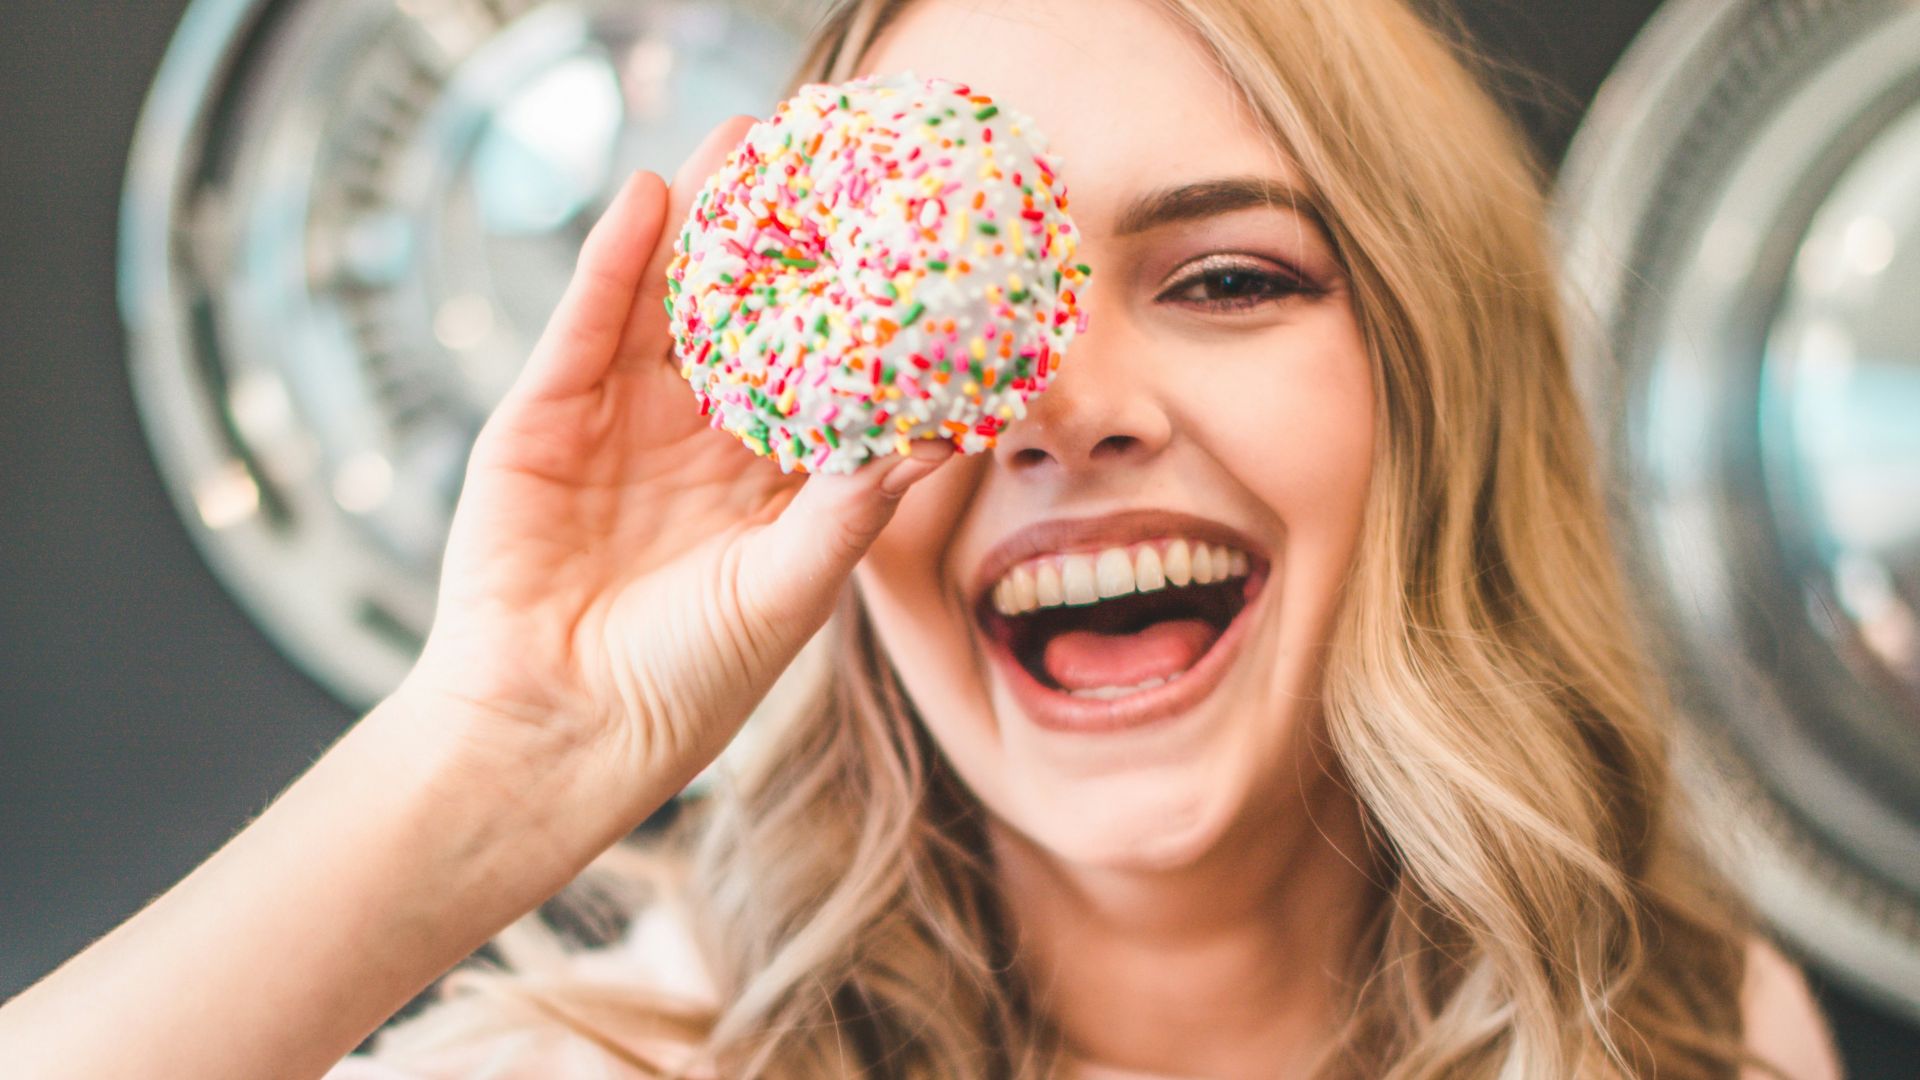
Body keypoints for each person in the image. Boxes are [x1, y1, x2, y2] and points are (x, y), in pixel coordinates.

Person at [0, 0, 1849, 1076]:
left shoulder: (1677, 1021)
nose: (1060, 403)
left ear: (1436, 384)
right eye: (945, 312)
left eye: (1224, 275)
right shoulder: (614, 1066)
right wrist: (494, 763)